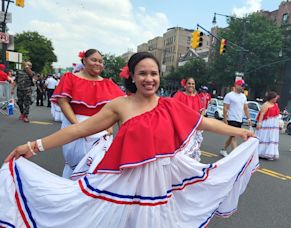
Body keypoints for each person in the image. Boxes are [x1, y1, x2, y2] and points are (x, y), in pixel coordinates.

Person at [0, 52, 259, 226]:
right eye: (143, 73)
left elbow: (205, 123)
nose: (149, 79)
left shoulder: (170, 105)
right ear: (132, 77)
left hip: (161, 182)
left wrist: (240, 132)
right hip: (124, 181)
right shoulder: (120, 106)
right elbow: (80, 130)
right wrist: (34, 146)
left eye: (154, 73)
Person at [50, 49, 125, 178]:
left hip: (101, 130)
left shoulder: (108, 84)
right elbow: (63, 102)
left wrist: (109, 126)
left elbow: (117, 107)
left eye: (101, 61)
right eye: (94, 60)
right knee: (76, 164)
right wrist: (77, 126)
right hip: (74, 124)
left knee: (97, 169)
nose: (98, 64)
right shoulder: (70, 78)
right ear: (84, 60)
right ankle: (70, 192)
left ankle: (89, 196)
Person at [173, 77, 204, 161]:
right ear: (185, 85)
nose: (191, 85)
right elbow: (173, 110)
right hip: (181, 127)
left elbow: (201, 113)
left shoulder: (197, 98)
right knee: (181, 152)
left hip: (193, 128)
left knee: (192, 152)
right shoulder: (179, 95)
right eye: (189, 83)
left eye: (193, 84)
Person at [219, 79, 251, 157]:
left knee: (232, 136)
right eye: (242, 86)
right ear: (237, 85)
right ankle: (235, 156)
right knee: (234, 136)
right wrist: (225, 120)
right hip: (231, 118)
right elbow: (225, 108)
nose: (243, 88)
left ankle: (223, 149)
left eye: (244, 86)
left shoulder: (243, 96)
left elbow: (245, 108)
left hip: (239, 119)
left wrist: (249, 118)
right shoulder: (229, 95)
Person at [256, 91, 281, 160]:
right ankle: (261, 152)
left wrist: (278, 123)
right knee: (265, 136)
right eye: (275, 98)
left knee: (272, 137)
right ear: (272, 98)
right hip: (267, 123)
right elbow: (262, 114)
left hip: (274, 123)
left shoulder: (276, 105)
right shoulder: (266, 104)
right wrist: (259, 123)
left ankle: (270, 153)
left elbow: (277, 115)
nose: (276, 99)